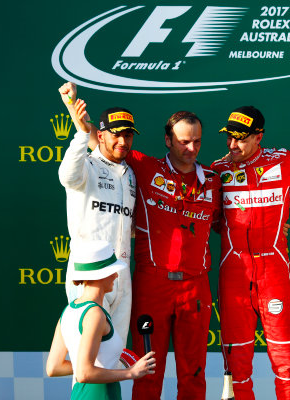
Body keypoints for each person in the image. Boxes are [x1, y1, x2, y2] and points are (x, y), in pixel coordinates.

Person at [211, 106, 290, 400]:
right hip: (235, 274)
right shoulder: (218, 170)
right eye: (229, 138)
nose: (232, 145)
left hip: (274, 273)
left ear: (259, 137)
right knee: (238, 368)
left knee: (285, 364)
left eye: (240, 138)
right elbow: (213, 219)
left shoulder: (281, 160)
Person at [128, 111, 222, 400]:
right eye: (183, 142)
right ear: (168, 140)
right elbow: (103, 140)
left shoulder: (215, 181)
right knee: (146, 371)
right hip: (152, 284)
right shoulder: (146, 167)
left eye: (197, 142)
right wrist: (73, 111)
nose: (191, 148)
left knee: (193, 372)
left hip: (195, 285)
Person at [58, 83, 137, 344]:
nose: (123, 142)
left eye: (128, 135)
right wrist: (81, 133)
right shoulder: (87, 166)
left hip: (121, 276)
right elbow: (66, 176)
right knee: (86, 357)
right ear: (100, 135)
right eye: (116, 135)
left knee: (115, 357)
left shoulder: (131, 174)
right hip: (89, 275)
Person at [46, 240, 156, 400]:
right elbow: (84, 372)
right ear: (100, 275)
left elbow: (54, 367)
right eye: (112, 271)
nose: (116, 275)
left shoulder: (68, 311)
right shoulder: (95, 314)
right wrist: (131, 372)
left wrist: (104, 364)